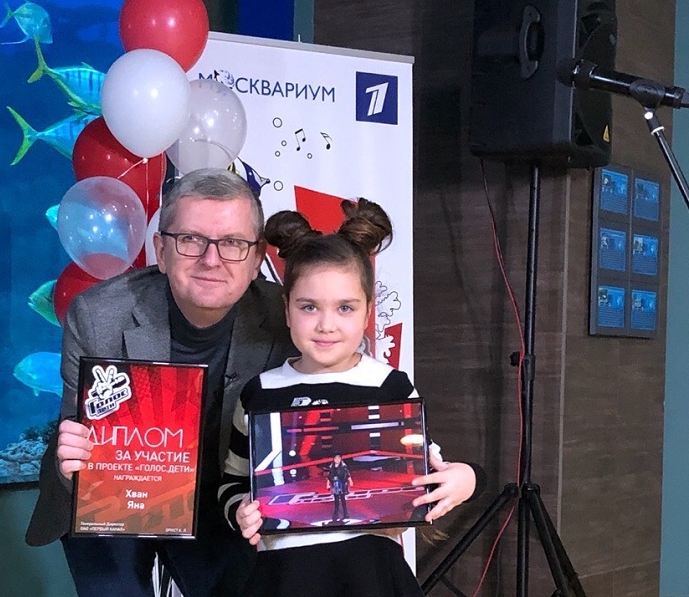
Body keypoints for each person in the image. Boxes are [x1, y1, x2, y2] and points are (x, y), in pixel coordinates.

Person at [25, 168, 298, 597]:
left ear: (256, 257)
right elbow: (75, 437)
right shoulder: (98, 315)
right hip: (113, 495)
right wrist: (72, 461)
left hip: (223, 497)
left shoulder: (289, 319)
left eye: (232, 243)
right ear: (161, 251)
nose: (211, 260)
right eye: (190, 239)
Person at [218, 198, 483, 597]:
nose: (326, 325)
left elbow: (430, 474)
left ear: (367, 312)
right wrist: (241, 511)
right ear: (287, 310)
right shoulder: (260, 392)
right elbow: (232, 483)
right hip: (282, 580)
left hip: (371, 577)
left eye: (345, 308)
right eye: (309, 307)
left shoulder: (390, 386)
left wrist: (467, 479)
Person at [326, 453, 352, 521]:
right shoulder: (331, 467)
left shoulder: (343, 466)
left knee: (343, 499)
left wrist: (350, 481)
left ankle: (345, 513)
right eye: (335, 458)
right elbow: (329, 476)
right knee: (336, 499)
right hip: (335, 484)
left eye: (338, 458)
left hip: (342, 484)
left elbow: (347, 474)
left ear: (340, 459)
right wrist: (328, 484)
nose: (337, 460)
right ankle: (336, 513)